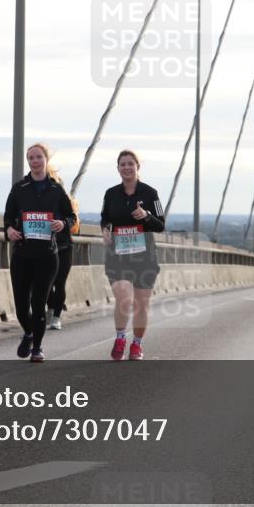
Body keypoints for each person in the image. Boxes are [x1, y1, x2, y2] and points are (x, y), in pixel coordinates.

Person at [4, 143, 77, 362]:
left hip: (47, 256)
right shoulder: (19, 188)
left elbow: (71, 217)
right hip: (22, 255)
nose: (35, 161)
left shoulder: (56, 189)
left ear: (46, 160)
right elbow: (8, 217)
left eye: (38, 157)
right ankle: (28, 333)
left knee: (38, 304)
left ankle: (37, 348)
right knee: (21, 307)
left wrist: (62, 224)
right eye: (31, 158)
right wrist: (9, 230)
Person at [101, 150, 165, 361]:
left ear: (138, 166)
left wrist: (146, 216)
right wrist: (105, 229)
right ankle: (120, 338)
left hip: (144, 257)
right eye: (123, 164)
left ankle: (136, 344)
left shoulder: (150, 193)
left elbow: (161, 225)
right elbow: (105, 218)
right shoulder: (111, 194)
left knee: (141, 304)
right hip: (118, 256)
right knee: (124, 298)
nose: (127, 167)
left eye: (130, 164)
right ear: (118, 168)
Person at [47, 194, 79, 330]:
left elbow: (73, 219)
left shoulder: (63, 198)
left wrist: (63, 223)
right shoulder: (37, 200)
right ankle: (50, 308)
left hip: (64, 247)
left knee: (59, 282)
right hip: (46, 248)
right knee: (46, 282)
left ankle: (56, 317)